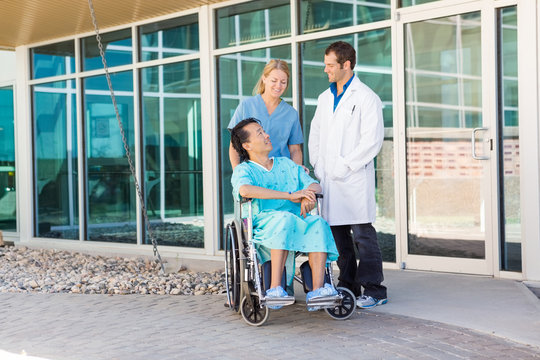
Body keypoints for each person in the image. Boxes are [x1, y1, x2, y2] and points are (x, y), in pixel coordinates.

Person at [308, 41, 387, 309]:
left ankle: (375, 289)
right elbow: (315, 135)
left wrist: (345, 165)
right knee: (339, 239)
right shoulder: (324, 98)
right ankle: (348, 284)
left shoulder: (366, 97)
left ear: (346, 65)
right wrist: (319, 165)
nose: (325, 69)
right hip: (329, 179)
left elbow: (372, 141)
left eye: (330, 65)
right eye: (326, 64)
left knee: (363, 237)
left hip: (353, 179)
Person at [231, 118, 339, 310]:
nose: (267, 135)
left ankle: (318, 290)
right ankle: (275, 288)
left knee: (318, 223)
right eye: (260, 133)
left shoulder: (286, 164)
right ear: (247, 145)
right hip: (264, 225)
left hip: (297, 221)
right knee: (284, 219)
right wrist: (290, 196)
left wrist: (308, 195)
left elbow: (314, 184)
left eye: (264, 131)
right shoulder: (244, 170)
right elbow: (245, 190)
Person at [228, 59, 304, 170]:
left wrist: (296, 175)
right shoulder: (246, 106)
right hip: (252, 173)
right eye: (274, 80)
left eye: (283, 82)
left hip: (282, 174)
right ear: (264, 78)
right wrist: (238, 173)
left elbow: (295, 149)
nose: (278, 86)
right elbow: (234, 145)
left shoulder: (291, 113)